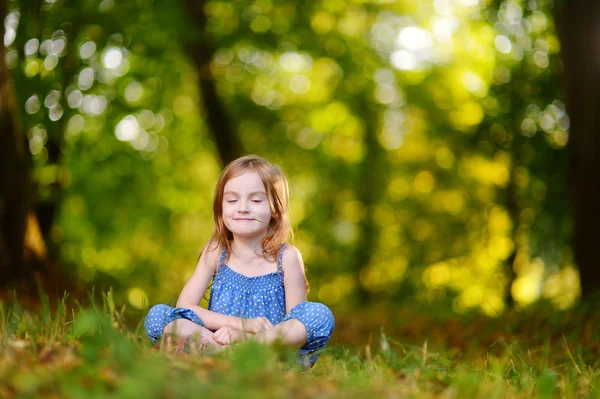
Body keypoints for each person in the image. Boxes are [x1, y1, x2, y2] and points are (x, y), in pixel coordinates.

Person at [144, 155, 335, 367]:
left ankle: (241, 355)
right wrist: (241, 324)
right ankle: (225, 356)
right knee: (160, 317)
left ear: (275, 208)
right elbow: (186, 306)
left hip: (270, 351)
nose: (242, 208)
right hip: (218, 341)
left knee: (318, 314)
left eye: (256, 200)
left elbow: (297, 322)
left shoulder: (287, 257)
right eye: (232, 200)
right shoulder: (217, 251)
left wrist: (243, 336)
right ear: (220, 208)